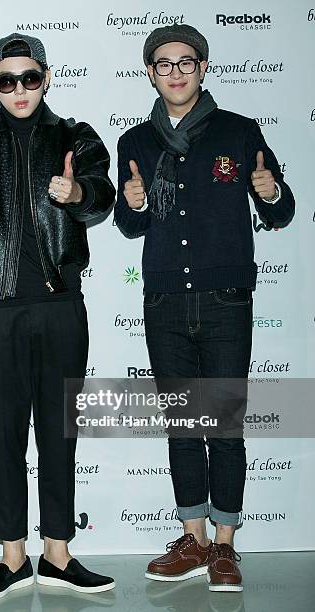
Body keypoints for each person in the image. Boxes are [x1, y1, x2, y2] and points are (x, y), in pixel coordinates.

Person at [0, 32, 116, 601]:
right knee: (3, 434)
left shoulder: (76, 136)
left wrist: (76, 191)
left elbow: (104, 196)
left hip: (62, 305)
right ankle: (12, 557)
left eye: (30, 77)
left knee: (59, 434)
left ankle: (58, 554)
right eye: (7, 80)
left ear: (46, 78)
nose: (19, 89)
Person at [114, 24, 294, 592]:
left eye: (185, 62)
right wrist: (133, 203)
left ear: (203, 68)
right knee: (184, 426)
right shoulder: (135, 142)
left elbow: (282, 210)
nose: (175, 71)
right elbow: (129, 224)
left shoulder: (239, 133)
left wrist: (268, 192)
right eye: (163, 63)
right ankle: (192, 539)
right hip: (165, 298)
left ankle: (224, 546)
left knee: (224, 426)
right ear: (150, 71)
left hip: (225, 299)